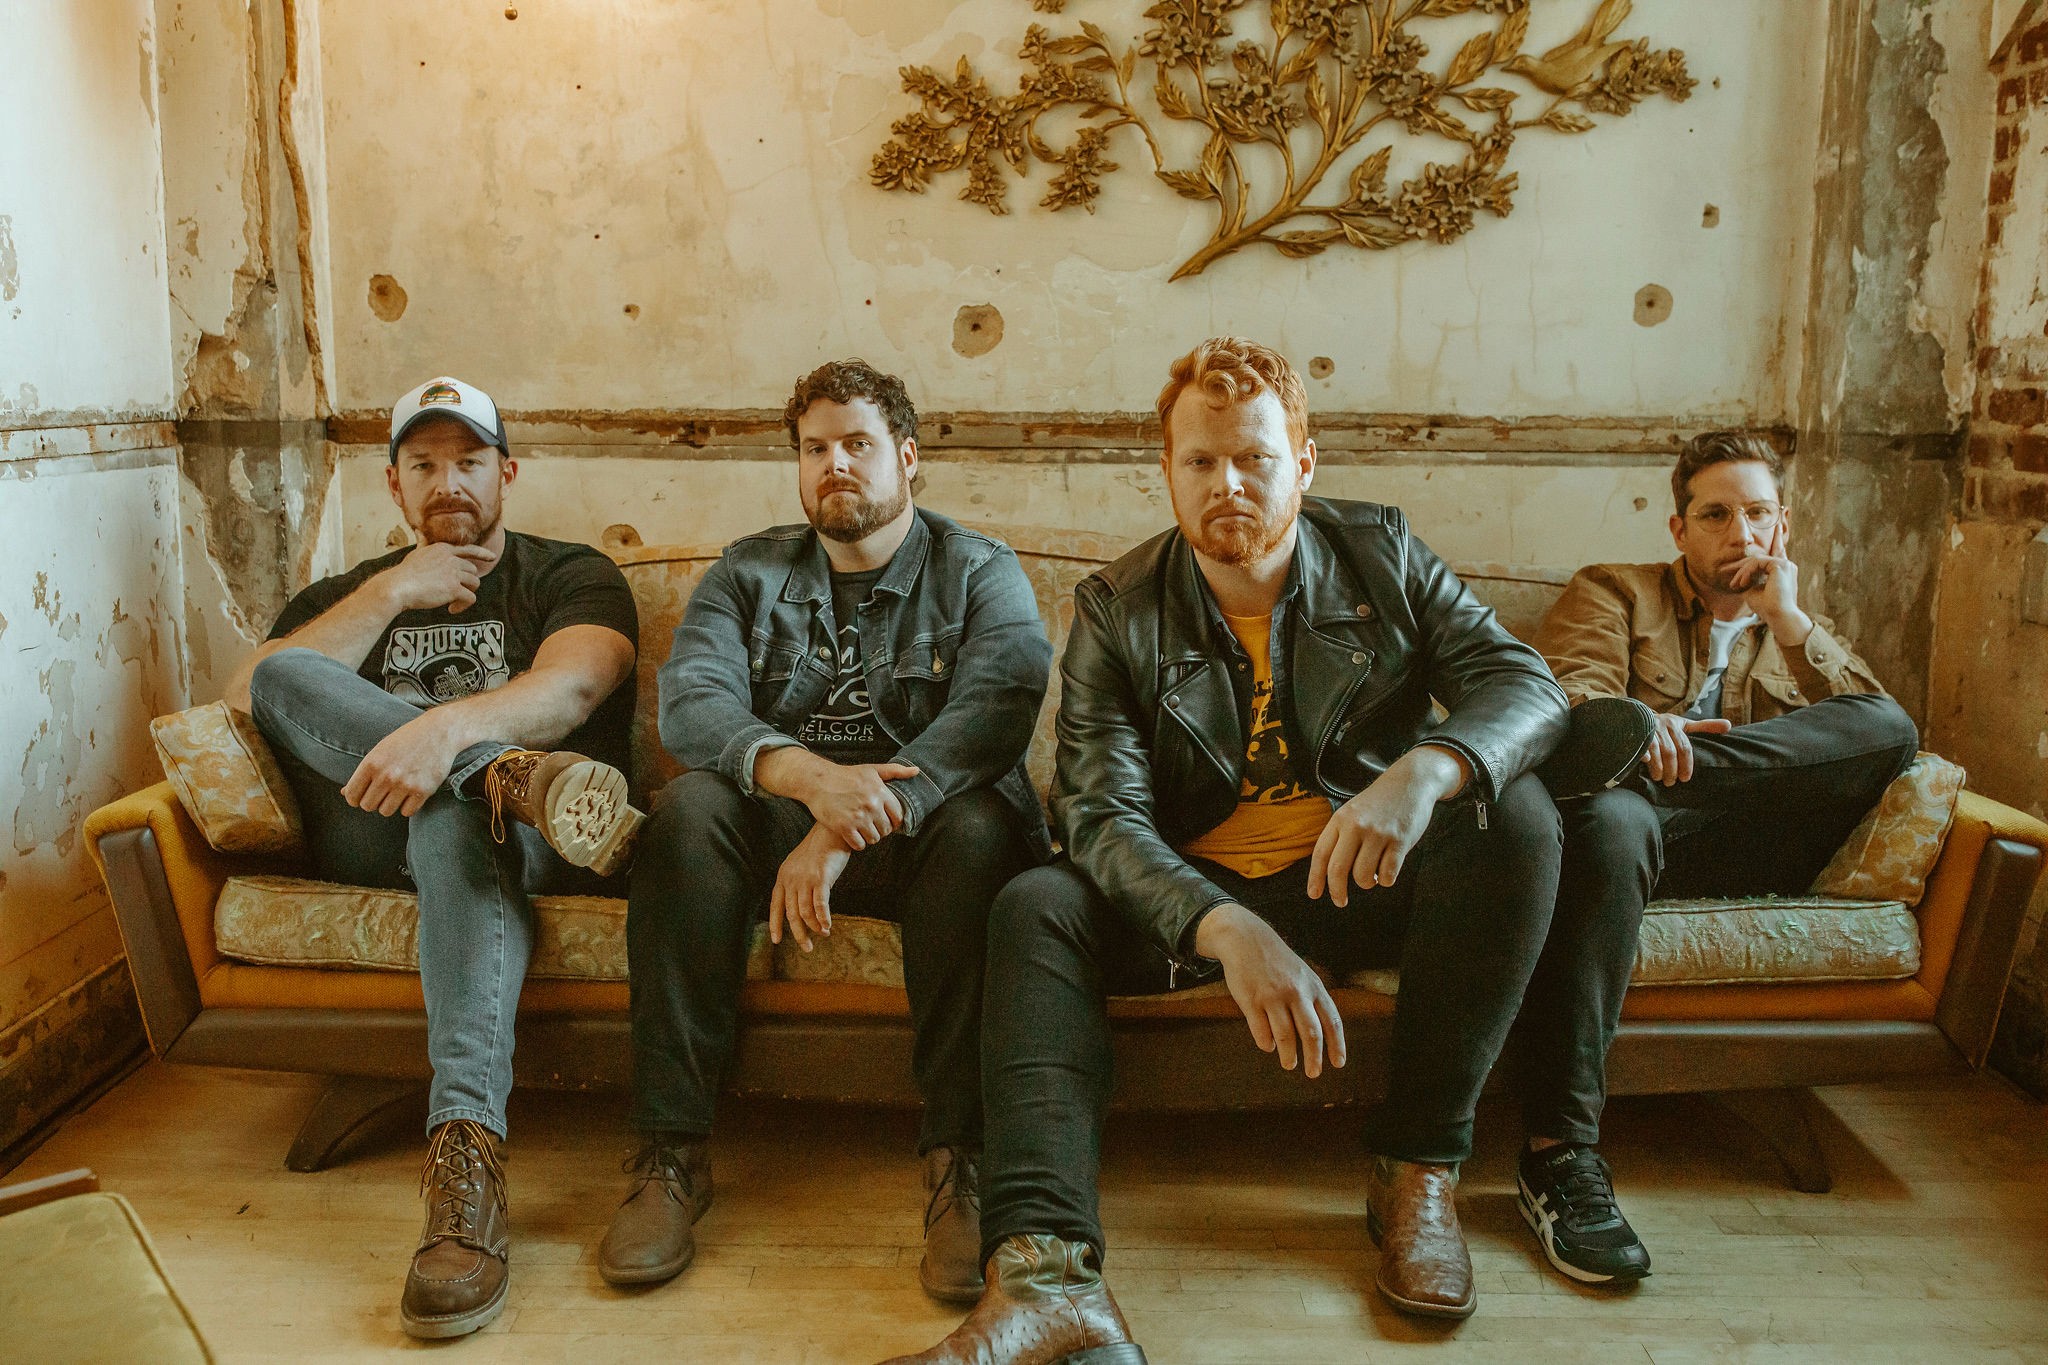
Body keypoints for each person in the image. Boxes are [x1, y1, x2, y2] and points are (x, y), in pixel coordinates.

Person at [892, 336, 1575, 1364]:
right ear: (1165, 470)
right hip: (1193, 894)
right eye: (1200, 461)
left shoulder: (1384, 555)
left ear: (1304, 463)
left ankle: (1417, 1170)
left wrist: (1424, 770)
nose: (1227, 484)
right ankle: (1048, 1279)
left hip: (1351, 873)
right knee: (1034, 903)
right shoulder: (1118, 607)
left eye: (1255, 458)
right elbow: (1098, 816)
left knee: (1514, 817)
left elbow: (1525, 685)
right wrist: (1220, 925)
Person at [602, 360, 1053, 1306]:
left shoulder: (979, 569)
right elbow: (692, 704)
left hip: (929, 828)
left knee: (979, 828)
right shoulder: (748, 572)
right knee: (685, 813)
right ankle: (671, 1152)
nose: (834, 464)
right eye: (814, 449)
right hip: (785, 814)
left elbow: (993, 717)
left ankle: (962, 1159)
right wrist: (813, 784)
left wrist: (842, 832)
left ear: (908, 457)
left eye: (857, 444)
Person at [223, 375, 642, 1339]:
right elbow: (248, 698)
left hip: (542, 836)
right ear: (393, 484)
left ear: (507, 473)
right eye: (423, 464)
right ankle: (505, 777)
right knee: (287, 670)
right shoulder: (348, 596)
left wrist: (444, 737)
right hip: (379, 829)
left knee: (457, 819)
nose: (447, 481)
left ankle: (466, 1172)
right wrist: (390, 593)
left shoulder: (572, 573)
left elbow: (575, 689)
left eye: (468, 461)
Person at [1521, 428, 1917, 1284]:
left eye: (1759, 514)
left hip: (1748, 836)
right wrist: (1640, 729)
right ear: (1679, 528)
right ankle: (1561, 1152)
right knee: (1614, 814)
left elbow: (1872, 735)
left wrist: (1787, 619)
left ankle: (1675, 770)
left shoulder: (1794, 623)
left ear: (1783, 525)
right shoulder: (1615, 589)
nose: (1742, 533)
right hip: (1630, 837)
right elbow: (1568, 694)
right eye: (1716, 515)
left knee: (1888, 722)